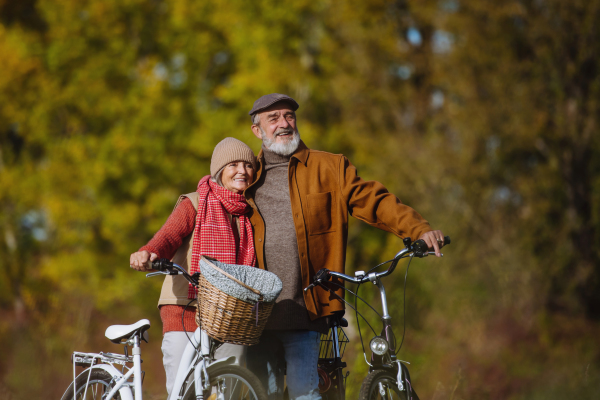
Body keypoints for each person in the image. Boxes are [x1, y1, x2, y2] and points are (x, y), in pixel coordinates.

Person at [243, 93, 446, 400]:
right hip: (257, 316)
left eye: (289, 116)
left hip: (306, 311)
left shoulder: (330, 168)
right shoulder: (245, 177)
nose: (284, 124)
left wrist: (419, 229)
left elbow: (376, 202)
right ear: (257, 130)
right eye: (273, 119)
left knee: (304, 395)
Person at [129, 137, 257, 396]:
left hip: (230, 312)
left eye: (248, 165)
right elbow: (167, 237)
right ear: (219, 171)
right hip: (185, 307)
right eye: (234, 164)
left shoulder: (252, 213)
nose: (242, 171)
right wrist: (147, 253)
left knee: (231, 388)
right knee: (182, 387)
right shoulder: (195, 203)